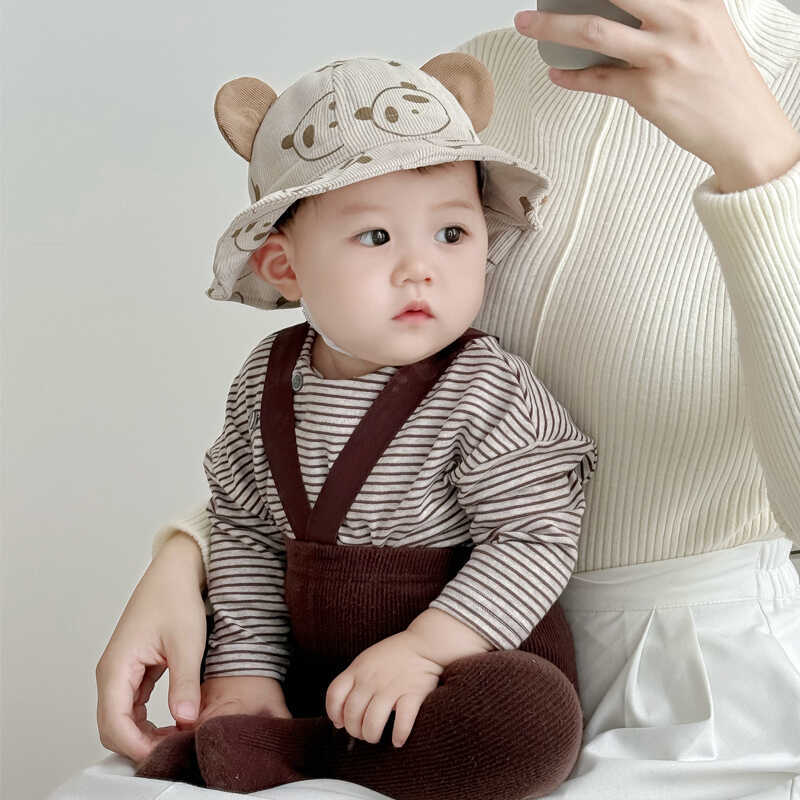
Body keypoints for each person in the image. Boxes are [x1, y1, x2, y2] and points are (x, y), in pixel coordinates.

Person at [95, 0, 800, 798]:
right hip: (369, 658)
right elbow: (364, 399)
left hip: (691, 693)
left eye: (456, 237)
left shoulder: (789, 78)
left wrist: (764, 167)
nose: (420, 269)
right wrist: (190, 554)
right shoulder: (466, 84)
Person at [129, 54, 597, 800]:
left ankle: (308, 757)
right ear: (284, 269)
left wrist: (424, 650)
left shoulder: (489, 390)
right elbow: (245, 533)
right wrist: (244, 672)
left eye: (451, 233)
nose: (420, 268)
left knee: (528, 721)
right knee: (245, 693)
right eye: (377, 239)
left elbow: (535, 537)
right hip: (325, 664)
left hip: (461, 656)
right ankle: (287, 735)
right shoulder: (266, 379)